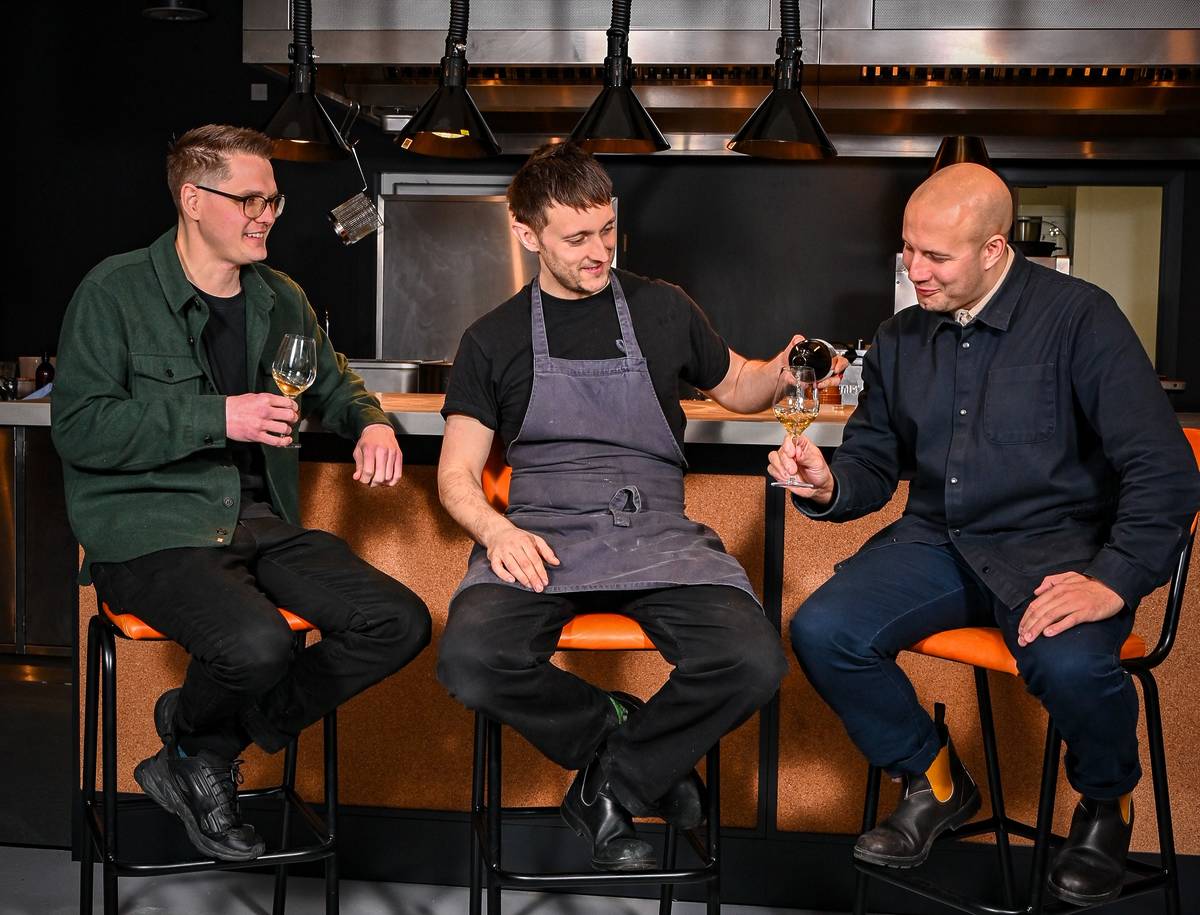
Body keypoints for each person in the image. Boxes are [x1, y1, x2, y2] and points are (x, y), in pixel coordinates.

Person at [770, 163, 1200, 906]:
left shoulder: (1081, 318)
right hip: (938, 543)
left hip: (1055, 550)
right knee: (823, 628)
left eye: (936, 256)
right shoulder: (900, 337)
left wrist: (1112, 580)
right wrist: (828, 484)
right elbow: (873, 461)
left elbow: (1164, 469)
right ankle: (934, 779)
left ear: (996, 249)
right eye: (909, 249)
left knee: (1071, 664)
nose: (915, 270)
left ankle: (1106, 805)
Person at [436, 141, 843, 872]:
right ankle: (621, 730)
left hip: (656, 532)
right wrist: (497, 532)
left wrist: (783, 371)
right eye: (577, 238)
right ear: (527, 234)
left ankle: (609, 785)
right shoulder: (492, 339)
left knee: (751, 660)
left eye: (607, 230)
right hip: (543, 534)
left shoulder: (662, 308)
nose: (600, 252)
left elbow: (738, 385)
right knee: (470, 660)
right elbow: (456, 475)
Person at [53, 124, 432, 862]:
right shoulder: (114, 291)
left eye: (273, 200)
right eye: (248, 200)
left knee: (398, 621)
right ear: (193, 199)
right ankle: (202, 750)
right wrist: (217, 416)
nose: (265, 215)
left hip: (258, 522)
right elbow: (80, 429)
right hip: (152, 529)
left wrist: (372, 425)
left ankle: (200, 747)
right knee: (261, 645)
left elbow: (336, 384)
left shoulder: (281, 297)